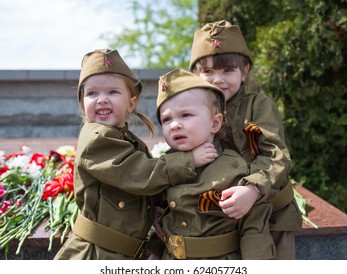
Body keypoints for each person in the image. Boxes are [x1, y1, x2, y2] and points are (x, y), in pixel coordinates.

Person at [54, 49, 218, 260]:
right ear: (83, 104)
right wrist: (189, 160)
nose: (101, 99)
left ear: (132, 103)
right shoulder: (98, 138)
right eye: (92, 93)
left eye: (112, 92)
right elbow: (140, 175)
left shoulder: (127, 140)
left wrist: (156, 208)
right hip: (96, 254)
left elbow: (138, 191)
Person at [189, 20, 302, 259]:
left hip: (271, 216)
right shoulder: (193, 111)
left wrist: (252, 189)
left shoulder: (258, 106)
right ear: (194, 75)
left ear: (244, 71)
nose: (217, 79)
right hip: (220, 221)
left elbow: (275, 155)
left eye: (227, 70)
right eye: (208, 71)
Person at [153, 68, 275, 260]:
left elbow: (254, 230)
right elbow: (162, 216)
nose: (174, 124)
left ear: (215, 123)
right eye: (166, 119)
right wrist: (153, 251)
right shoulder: (163, 166)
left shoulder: (234, 168)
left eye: (186, 115)